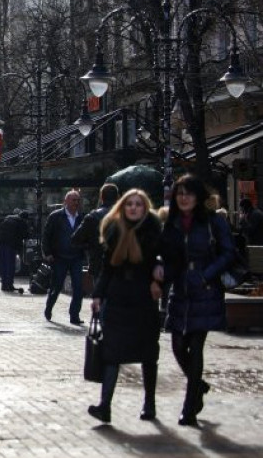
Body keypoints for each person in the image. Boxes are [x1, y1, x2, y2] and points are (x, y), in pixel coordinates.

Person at [157, 174, 235, 426]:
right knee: (178, 345)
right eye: (180, 193)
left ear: (198, 196)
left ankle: (189, 408)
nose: (184, 198)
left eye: (188, 193)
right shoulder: (172, 222)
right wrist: (160, 270)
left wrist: (206, 275)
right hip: (180, 290)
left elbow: (228, 253)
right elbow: (164, 252)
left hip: (205, 289)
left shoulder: (213, 222)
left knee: (197, 345)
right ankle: (198, 384)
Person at [87, 189, 163, 424]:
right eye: (129, 204)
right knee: (111, 354)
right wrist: (98, 295)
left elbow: (162, 258)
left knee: (148, 353)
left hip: (143, 299)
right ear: (122, 206)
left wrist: (158, 277)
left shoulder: (152, 230)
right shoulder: (114, 229)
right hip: (118, 298)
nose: (133, 208)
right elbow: (108, 268)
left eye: (138, 204)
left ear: (145, 207)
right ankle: (104, 406)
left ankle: (149, 404)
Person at [42, 190, 87, 325]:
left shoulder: (82, 218)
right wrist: (48, 253)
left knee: (78, 287)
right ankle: (49, 308)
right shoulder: (56, 216)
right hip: (59, 257)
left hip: (76, 257)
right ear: (66, 201)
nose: (76, 203)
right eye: (73, 200)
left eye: (78, 200)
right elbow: (46, 236)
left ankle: (74, 315)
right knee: (56, 286)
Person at [72, 183, 120, 290]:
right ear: (117, 197)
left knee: (101, 294)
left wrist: (90, 245)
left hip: (98, 262)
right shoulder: (126, 215)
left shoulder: (93, 217)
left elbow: (75, 239)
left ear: (101, 197)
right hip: (121, 263)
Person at [0, 209, 30, 292]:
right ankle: (9, 284)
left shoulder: (7, 219)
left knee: (2, 263)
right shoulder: (21, 222)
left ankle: (4, 284)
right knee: (10, 264)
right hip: (11, 245)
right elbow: (25, 235)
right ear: (25, 218)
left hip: (1, 243)